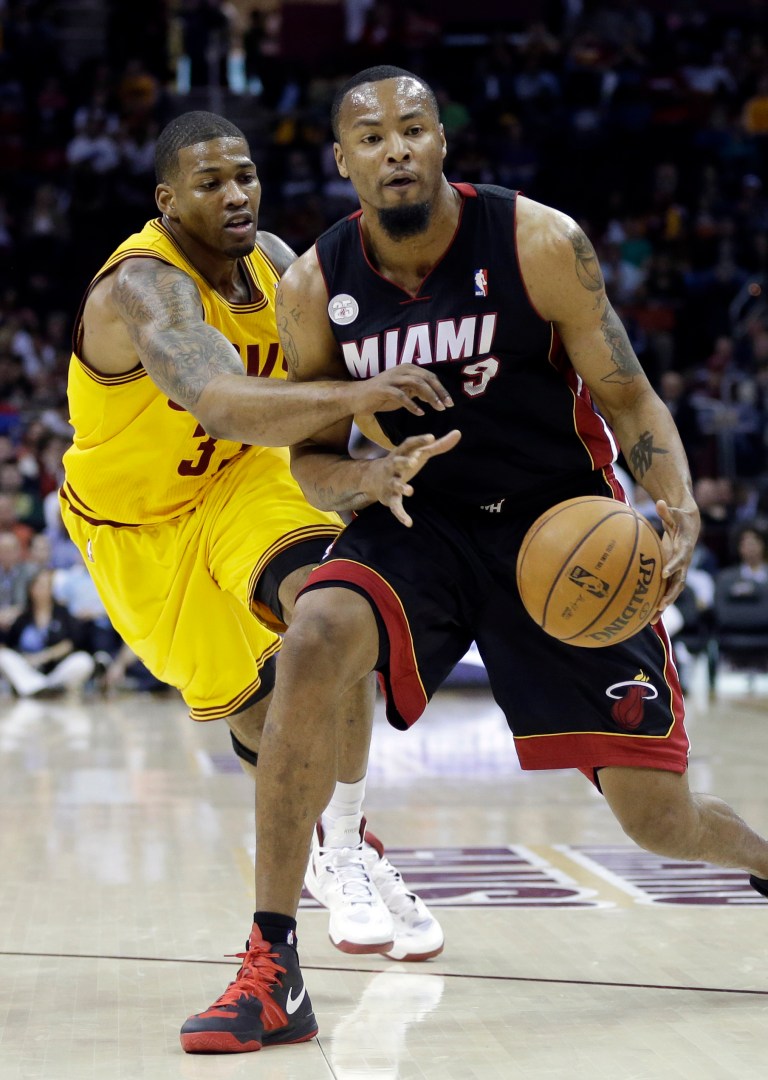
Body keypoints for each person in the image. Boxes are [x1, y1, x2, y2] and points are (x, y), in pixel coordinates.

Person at [180, 66, 768, 1054]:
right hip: (423, 517)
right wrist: (359, 483)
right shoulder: (315, 285)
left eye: (414, 129)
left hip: (561, 525)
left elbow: (627, 399)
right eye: (372, 137)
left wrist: (673, 507)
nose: (396, 148)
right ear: (343, 161)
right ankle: (273, 961)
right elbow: (314, 462)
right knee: (315, 632)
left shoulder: (540, 242)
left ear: (442, 144)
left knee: (659, 821)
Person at [57, 110, 450, 1052]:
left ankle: (345, 842)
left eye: (244, 177)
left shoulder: (277, 262)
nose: (234, 195)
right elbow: (219, 398)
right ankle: (329, 839)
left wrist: (385, 459)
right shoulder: (143, 287)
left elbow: (333, 390)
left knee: (332, 613)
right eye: (209, 183)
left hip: (252, 487)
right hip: (136, 536)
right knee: (264, 720)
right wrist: (355, 401)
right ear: (167, 200)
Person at [0, 566, 95, 696]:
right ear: (30, 588)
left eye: (46, 586)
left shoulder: (62, 613)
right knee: (3, 656)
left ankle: (43, 687)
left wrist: (43, 657)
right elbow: (9, 645)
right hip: (29, 669)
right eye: (38, 585)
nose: (42, 590)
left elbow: (70, 643)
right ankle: (37, 688)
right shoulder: (23, 617)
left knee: (83, 661)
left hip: (55, 670)